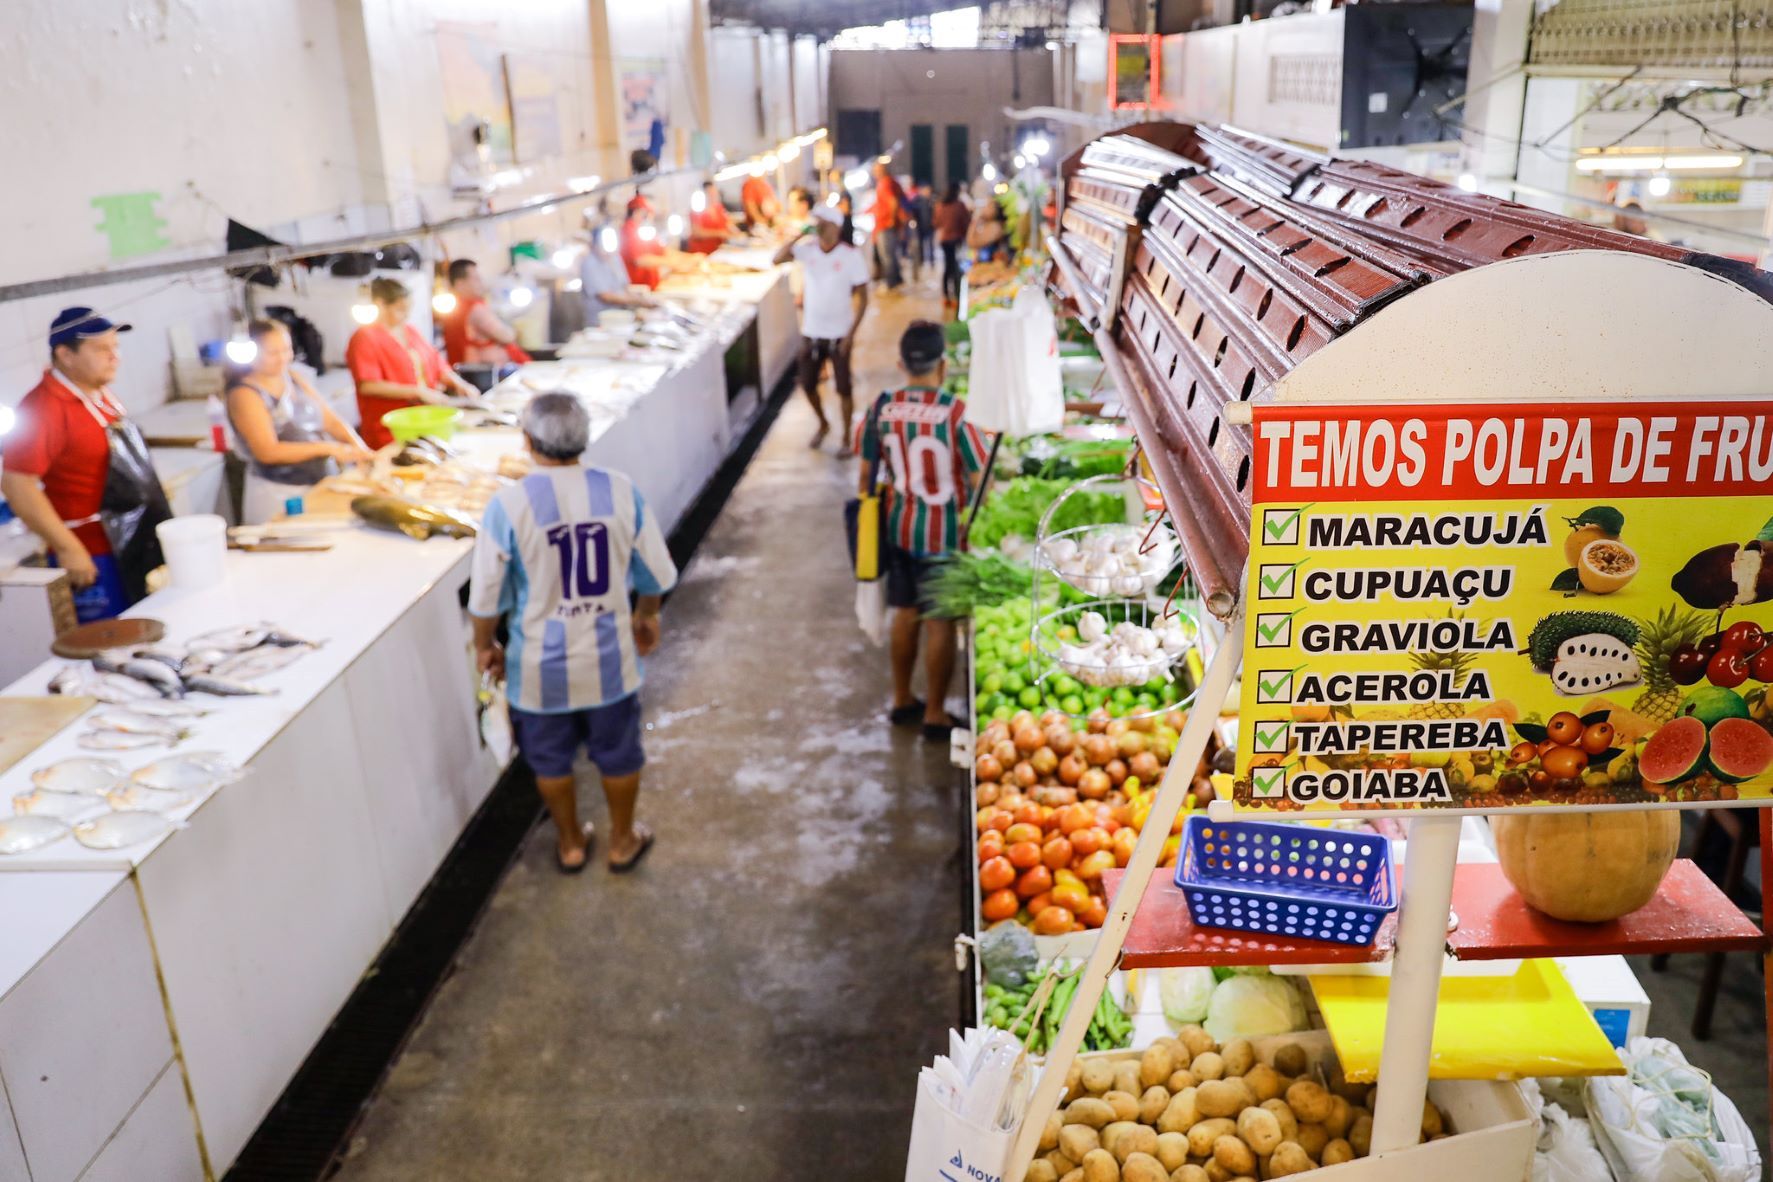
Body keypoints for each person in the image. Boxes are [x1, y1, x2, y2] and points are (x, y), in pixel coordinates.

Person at [468, 392, 677, 874]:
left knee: (550, 760)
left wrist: (486, 646)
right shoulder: (620, 490)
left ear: (527, 441)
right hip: (610, 659)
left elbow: (485, 598)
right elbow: (655, 574)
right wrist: (647, 616)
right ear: (584, 439)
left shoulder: (509, 505)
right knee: (619, 753)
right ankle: (622, 841)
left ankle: (570, 844)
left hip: (540, 667)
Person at [857, 321, 987, 741]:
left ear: (901, 363)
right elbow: (980, 476)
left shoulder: (881, 407)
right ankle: (934, 711)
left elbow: (865, 474)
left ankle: (900, 698)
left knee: (905, 613)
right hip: (944, 536)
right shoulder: (956, 412)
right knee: (940, 622)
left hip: (898, 529)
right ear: (943, 365)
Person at [1, 307, 171, 621]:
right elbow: (16, 483)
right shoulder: (43, 408)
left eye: (115, 347)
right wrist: (68, 548)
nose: (114, 356)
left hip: (130, 538)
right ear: (66, 355)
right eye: (101, 349)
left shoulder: (99, 393)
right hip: (92, 554)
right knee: (111, 642)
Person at [227, 320, 371, 524]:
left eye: (286, 349)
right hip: (277, 494)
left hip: (318, 486)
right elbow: (267, 451)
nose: (283, 358)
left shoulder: (292, 377)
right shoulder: (244, 394)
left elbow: (330, 421)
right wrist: (327, 448)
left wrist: (359, 448)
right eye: (273, 353)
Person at [774, 204, 871, 455]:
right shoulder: (809, 251)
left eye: (823, 224)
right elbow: (777, 258)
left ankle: (847, 437)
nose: (818, 228)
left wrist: (851, 334)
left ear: (836, 226)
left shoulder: (850, 256)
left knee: (843, 387)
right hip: (812, 330)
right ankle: (823, 423)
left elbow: (863, 296)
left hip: (839, 333)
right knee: (807, 383)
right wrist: (799, 235)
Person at [346, 277, 481, 450]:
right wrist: (418, 391)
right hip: (390, 429)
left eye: (408, 309)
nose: (406, 315)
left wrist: (459, 383)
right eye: (400, 309)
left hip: (426, 420)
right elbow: (368, 386)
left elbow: (437, 364)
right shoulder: (364, 337)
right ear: (380, 305)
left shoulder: (410, 331)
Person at [439, 259, 531, 371]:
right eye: (476, 279)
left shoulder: (452, 307)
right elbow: (507, 336)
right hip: (484, 373)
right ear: (460, 283)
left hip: (465, 370)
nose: (481, 282)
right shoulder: (475, 309)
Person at [580, 217, 659, 324]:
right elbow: (606, 296)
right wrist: (638, 301)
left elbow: (625, 286)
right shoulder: (589, 263)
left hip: (622, 316)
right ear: (594, 244)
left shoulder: (615, 257)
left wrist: (643, 300)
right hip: (599, 322)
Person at [870, 161, 910, 289]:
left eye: (876, 170)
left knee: (887, 256)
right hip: (888, 225)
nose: (874, 173)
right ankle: (896, 280)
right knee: (891, 254)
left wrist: (891, 220)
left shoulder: (885, 183)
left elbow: (893, 201)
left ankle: (891, 283)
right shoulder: (891, 182)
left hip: (885, 225)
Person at [933, 183, 972, 305]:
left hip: (944, 240)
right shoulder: (959, 205)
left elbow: (936, 222)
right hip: (956, 239)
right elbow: (966, 222)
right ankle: (956, 295)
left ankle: (946, 296)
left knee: (947, 267)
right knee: (955, 268)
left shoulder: (940, 205)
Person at [686, 180, 739, 254]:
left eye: (715, 192)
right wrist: (719, 233)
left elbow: (727, 223)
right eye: (710, 193)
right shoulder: (697, 210)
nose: (713, 195)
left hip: (718, 250)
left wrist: (735, 231)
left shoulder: (718, 207)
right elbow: (697, 233)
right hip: (702, 252)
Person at [967, 196, 1007, 262]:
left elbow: (972, 243)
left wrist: (975, 219)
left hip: (992, 267)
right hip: (984, 266)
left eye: (988, 206)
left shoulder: (996, 226)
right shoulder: (985, 225)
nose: (984, 209)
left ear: (996, 211)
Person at [909, 182, 936, 277]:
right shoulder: (917, 200)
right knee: (920, 245)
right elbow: (912, 210)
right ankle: (921, 261)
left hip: (930, 227)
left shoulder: (931, 200)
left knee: (931, 245)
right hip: (920, 227)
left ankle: (932, 261)